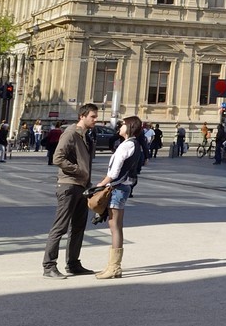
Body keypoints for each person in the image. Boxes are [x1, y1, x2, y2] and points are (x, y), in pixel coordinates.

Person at [43, 104, 99, 278]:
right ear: (82, 116)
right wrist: (78, 170)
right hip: (68, 185)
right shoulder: (71, 133)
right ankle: (49, 266)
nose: (95, 120)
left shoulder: (86, 136)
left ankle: (73, 263)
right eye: (93, 116)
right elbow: (58, 157)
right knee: (60, 227)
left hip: (82, 186)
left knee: (78, 227)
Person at [90, 115, 148, 279]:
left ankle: (114, 267)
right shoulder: (134, 144)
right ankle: (113, 266)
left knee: (114, 226)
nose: (120, 127)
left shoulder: (125, 146)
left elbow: (114, 173)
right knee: (116, 225)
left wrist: (99, 186)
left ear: (130, 127)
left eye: (123, 124)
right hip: (124, 187)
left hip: (117, 188)